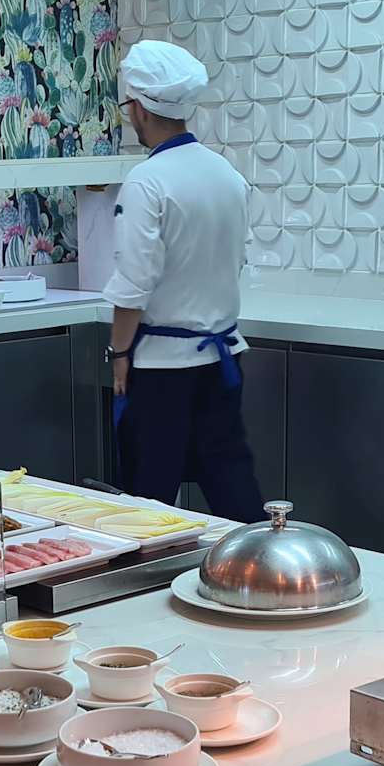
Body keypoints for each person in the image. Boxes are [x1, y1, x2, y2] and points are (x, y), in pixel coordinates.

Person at [103, 40, 265, 524]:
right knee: (231, 483)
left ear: (138, 108)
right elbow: (237, 258)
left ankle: (148, 571)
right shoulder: (226, 174)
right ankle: (255, 560)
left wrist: (118, 356)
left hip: (162, 369)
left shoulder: (147, 181)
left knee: (149, 495)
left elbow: (133, 285)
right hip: (222, 360)